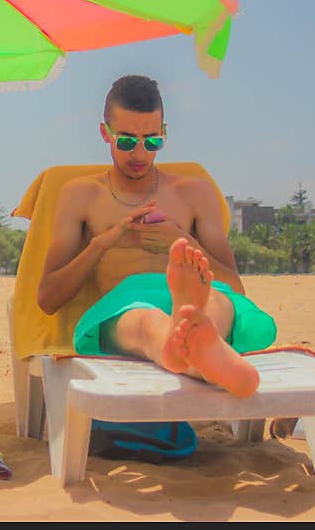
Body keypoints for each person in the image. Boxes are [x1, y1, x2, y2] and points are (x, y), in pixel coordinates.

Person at [38, 74, 276, 398]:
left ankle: (193, 345)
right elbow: (48, 299)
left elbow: (236, 287)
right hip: (125, 302)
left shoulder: (194, 192)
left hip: (202, 298)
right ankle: (200, 352)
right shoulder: (81, 195)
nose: (139, 153)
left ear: (164, 134)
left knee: (215, 304)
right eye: (126, 141)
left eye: (151, 142)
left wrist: (180, 242)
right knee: (146, 321)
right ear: (104, 134)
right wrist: (101, 244)